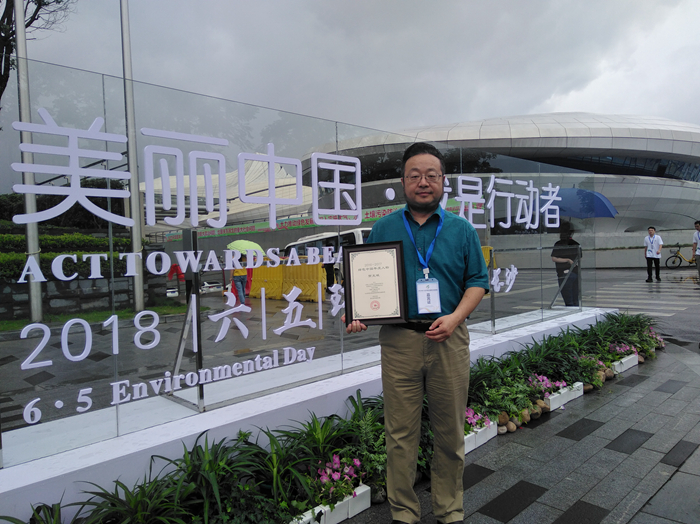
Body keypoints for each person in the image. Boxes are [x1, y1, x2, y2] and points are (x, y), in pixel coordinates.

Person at [345, 142, 489, 524]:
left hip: (449, 339)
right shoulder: (384, 227)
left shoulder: (461, 229)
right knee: (400, 435)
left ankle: (449, 510)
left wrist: (455, 318)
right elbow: (369, 279)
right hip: (399, 342)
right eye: (414, 175)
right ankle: (404, 513)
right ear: (403, 182)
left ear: (443, 181)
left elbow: (478, 281)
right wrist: (361, 312)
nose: (423, 182)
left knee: (450, 433)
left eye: (431, 175)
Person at [551, 224, 581, 306]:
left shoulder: (558, 244)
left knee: (569, 302)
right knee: (575, 300)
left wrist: (567, 260)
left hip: (563, 274)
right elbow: (579, 258)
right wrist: (571, 260)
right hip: (575, 273)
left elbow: (554, 258)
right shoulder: (576, 244)